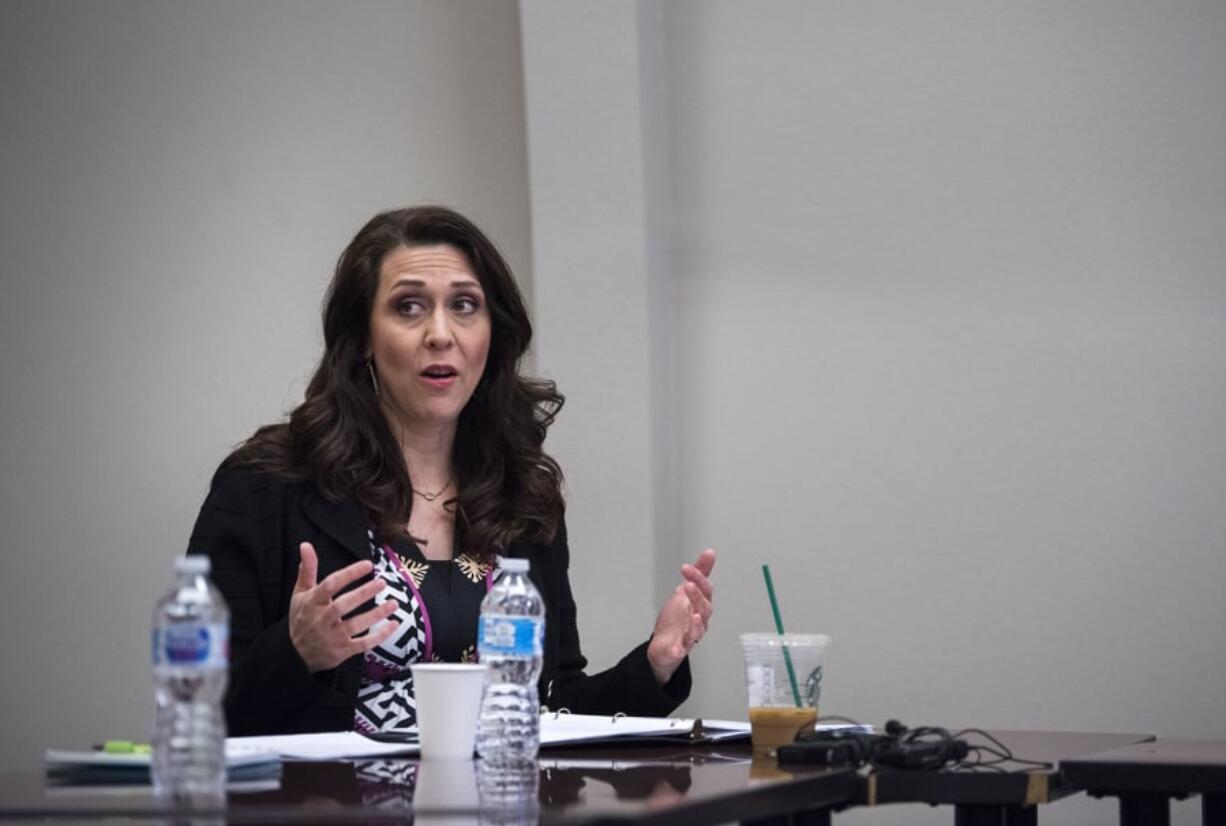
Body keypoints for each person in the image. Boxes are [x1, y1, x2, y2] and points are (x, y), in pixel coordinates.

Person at [187, 205, 716, 736]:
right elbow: (195, 711)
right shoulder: (265, 487)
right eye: (409, 307)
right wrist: (297, 652)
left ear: (492, 334)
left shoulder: (522, 497)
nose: (441, 334)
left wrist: (655, 664)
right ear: (364, 337)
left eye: (464, 306)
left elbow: (553, 711)